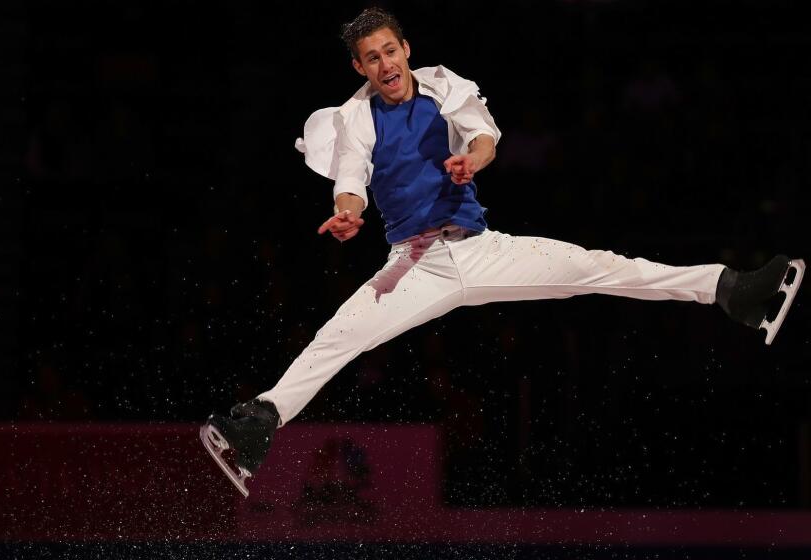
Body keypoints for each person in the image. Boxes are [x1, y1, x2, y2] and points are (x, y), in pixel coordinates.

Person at [200, 7, 804, 497]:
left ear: (406, 49)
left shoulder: (444, 85)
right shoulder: (356, 117)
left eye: (390, 50)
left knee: (599, 266)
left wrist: (473, 159)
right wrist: (349, 213)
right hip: (415, 266)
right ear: (359, 67)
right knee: (338, 337)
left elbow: (485, 134)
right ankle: (254, 426)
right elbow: (352, 179)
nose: (384, 63)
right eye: (371, 58)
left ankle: (733, 292)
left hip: (482, 250)